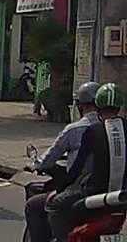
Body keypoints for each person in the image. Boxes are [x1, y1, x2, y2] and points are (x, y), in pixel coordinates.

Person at [48, 82, 127, 241]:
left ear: (98, 107)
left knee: (54, 205)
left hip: (94, 194)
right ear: (119, 107)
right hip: (122, 197)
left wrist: (61, 188)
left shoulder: (93, 130)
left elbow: (77, 167)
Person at [25, 82, 102, 242]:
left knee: (37, 205)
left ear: (80, 105)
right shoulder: (113, 130)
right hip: (110, 192)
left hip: (84, 190)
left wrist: (38, 165)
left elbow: (54, 161)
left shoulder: (77, 129)